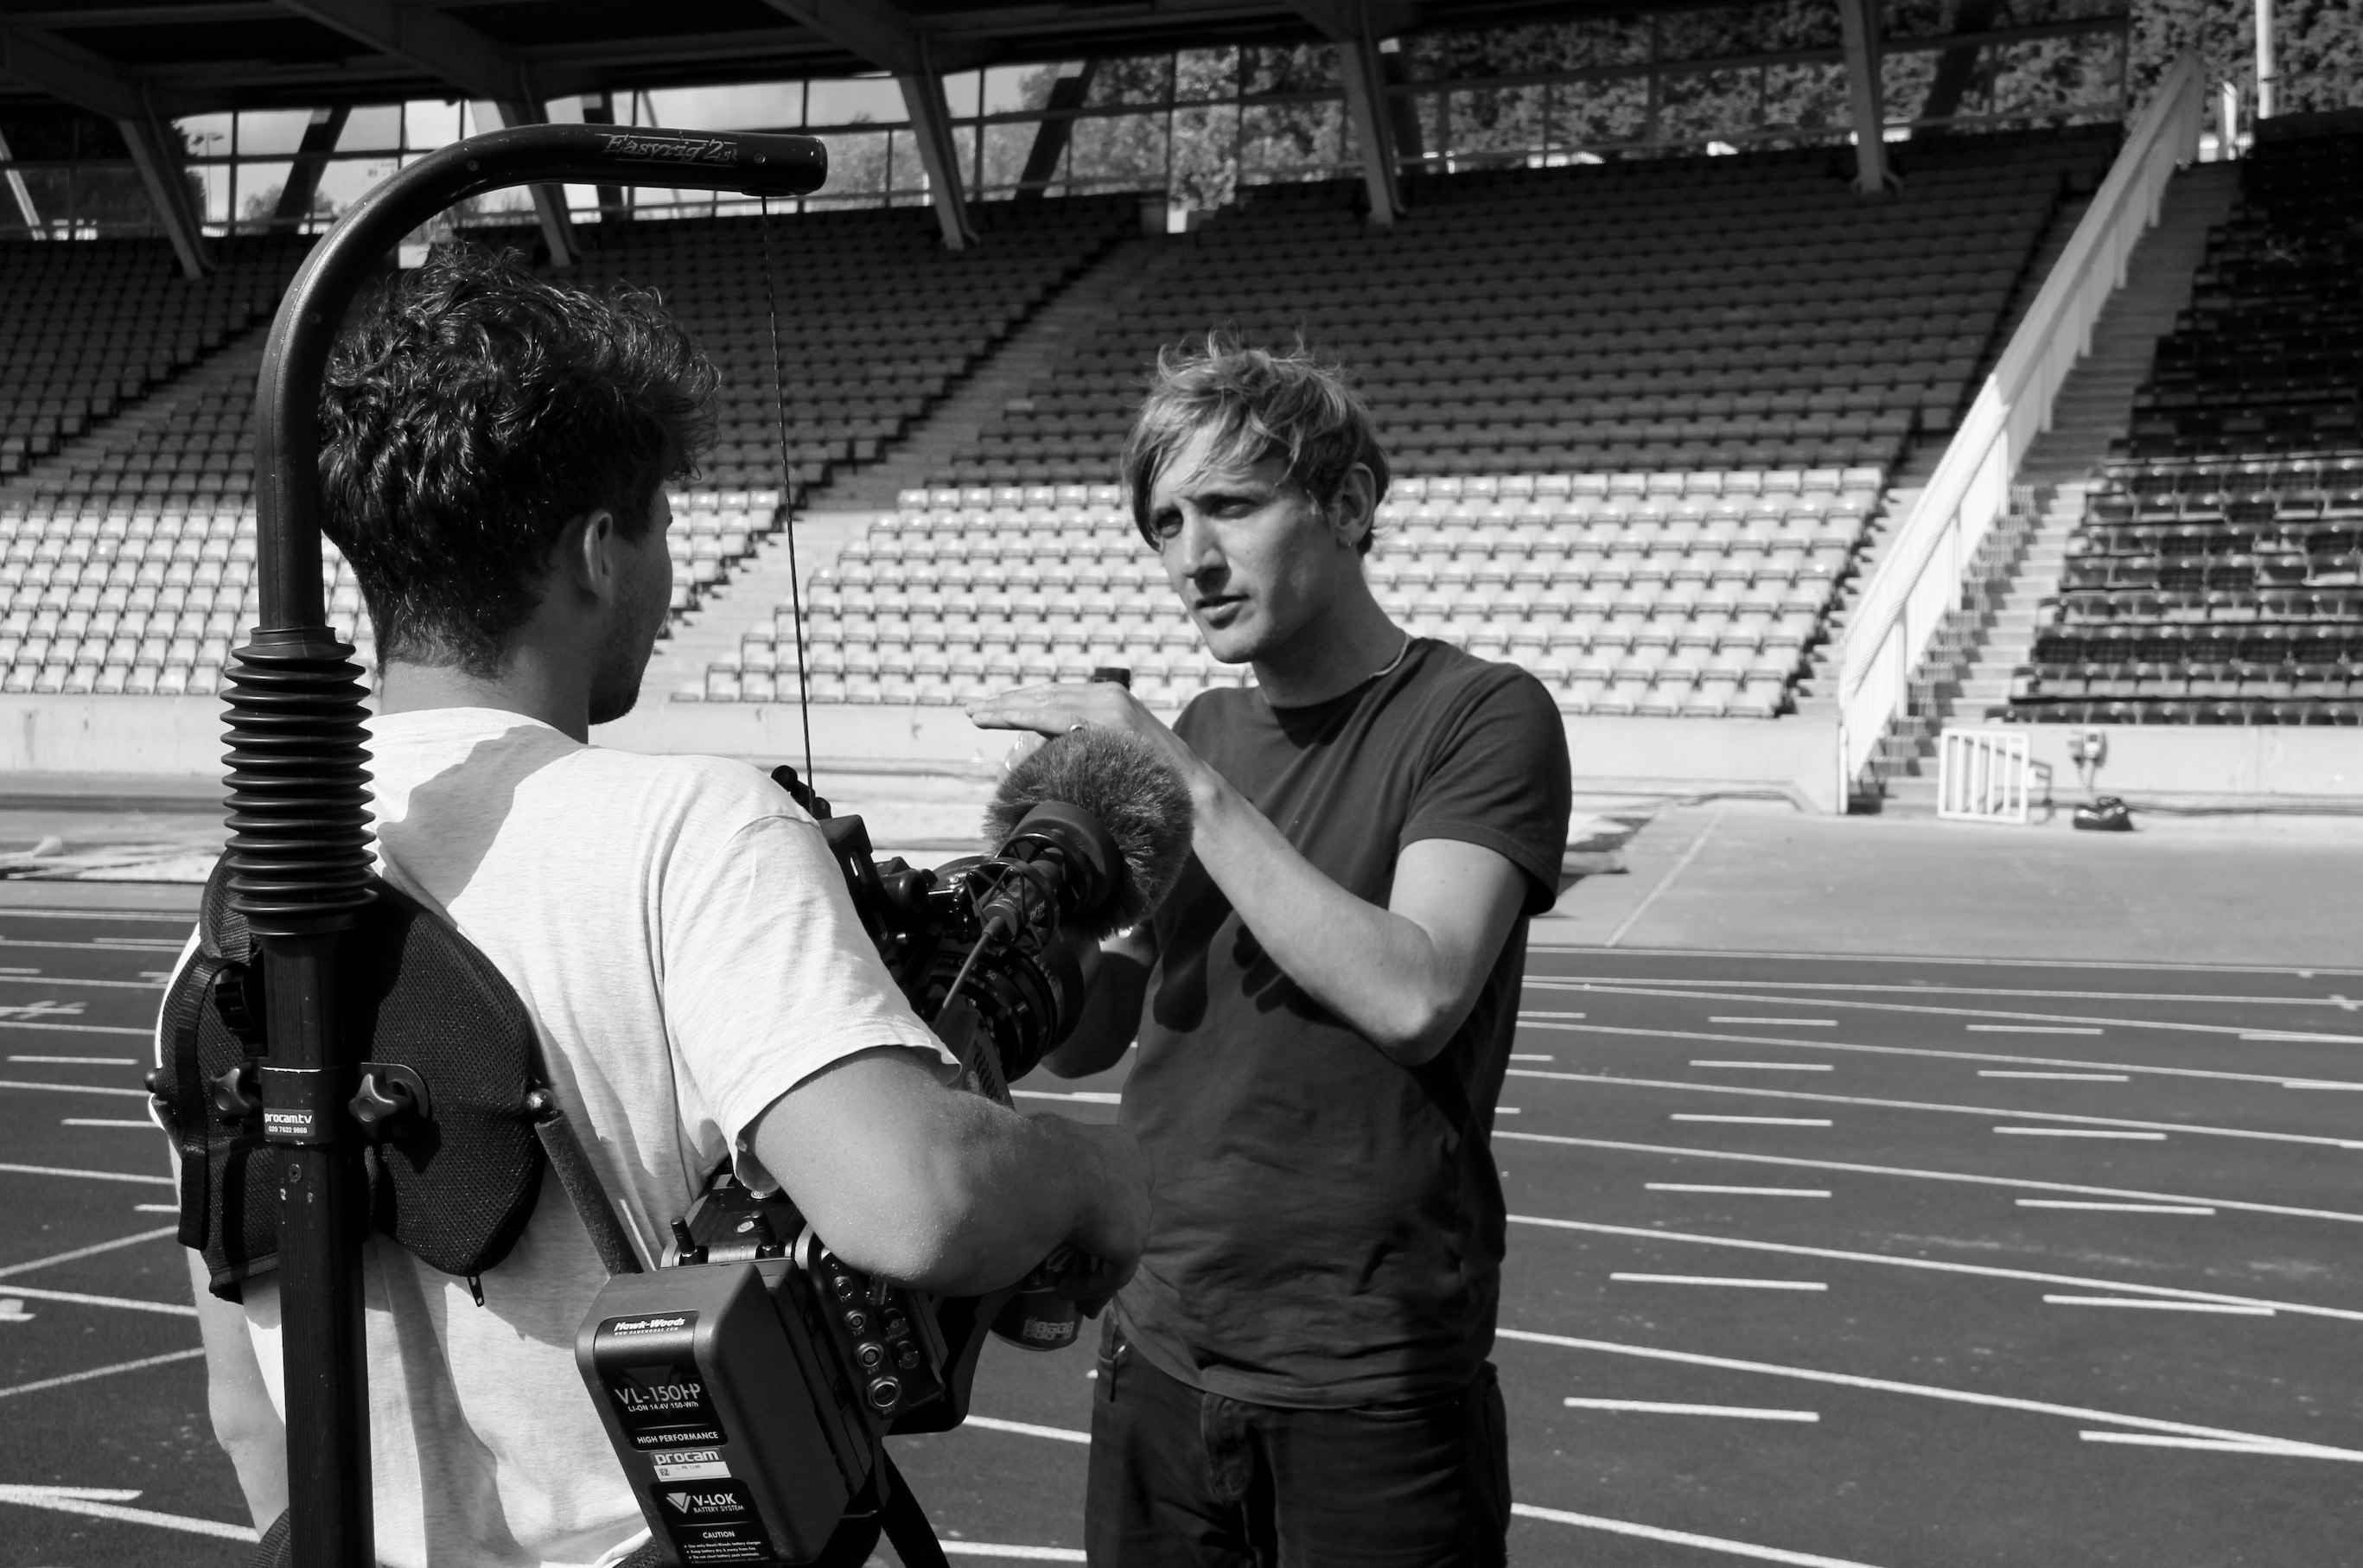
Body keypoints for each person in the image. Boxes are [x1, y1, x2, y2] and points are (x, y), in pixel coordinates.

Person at [171, 245, 1149, 1568]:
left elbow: (247, 1411)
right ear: (596, 550)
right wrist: (1086, 1172)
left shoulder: (238, 913)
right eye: (664, 526)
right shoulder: (690, 826)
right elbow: (913, 1200)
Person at [968, 337, 1572, 1566]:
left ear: (1346, 505)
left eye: (1231, 506)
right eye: (1164, 523)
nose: (1191, 558)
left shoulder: (1480, 713)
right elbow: (1091, 1040)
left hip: (1368, 1373)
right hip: (1158, 1342)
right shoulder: (1203, 728)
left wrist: (1184, 783)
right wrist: (1010, 929)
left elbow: (1415, 992)